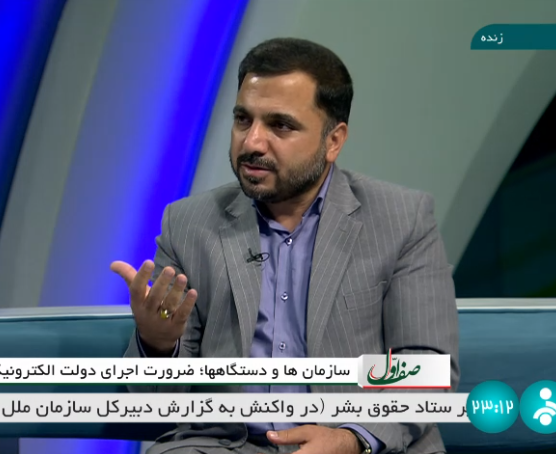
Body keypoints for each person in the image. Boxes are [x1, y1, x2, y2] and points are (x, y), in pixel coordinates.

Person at [111, 37, 459, 454]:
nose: (252, 143)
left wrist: (352, 437)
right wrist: (157, 344)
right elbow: (157, 406)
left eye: (281, 125)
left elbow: (427, 368)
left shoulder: (401, 219)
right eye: (243, 120)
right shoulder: (188, 224)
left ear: (333, 140)